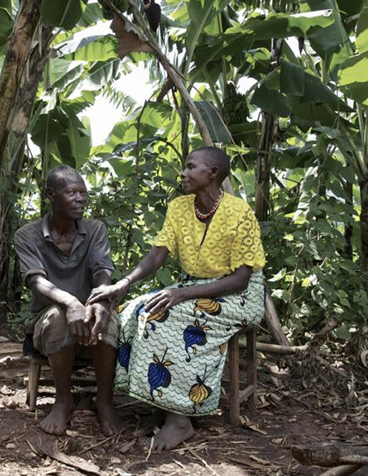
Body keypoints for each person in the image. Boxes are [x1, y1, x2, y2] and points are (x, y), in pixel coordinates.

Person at [87, 146, 266, 451]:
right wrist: (124, 284)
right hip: (192, 288)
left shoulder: (239, 212)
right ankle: (160, 403)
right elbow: (158, 255)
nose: (182, 173)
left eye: (190, 166)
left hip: (237, 294)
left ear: (212, 174)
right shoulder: (179, 207)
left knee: (165, 314)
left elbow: (241, 278)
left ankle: (180, 419)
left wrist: (181, 294)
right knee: (135, 311)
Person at [14, 165, 124, 436]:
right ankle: (63, 400)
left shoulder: (94, 230)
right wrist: (70, 303)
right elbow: (36, 281)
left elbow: (101, 270)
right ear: (51, 194)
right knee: (59, 317)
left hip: (89, 323)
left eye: (83, 193)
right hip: (47, 325)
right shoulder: (27, 235)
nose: (80, 199)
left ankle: (105, 401)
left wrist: (99, 299)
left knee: (106, 314)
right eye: (72, 192)